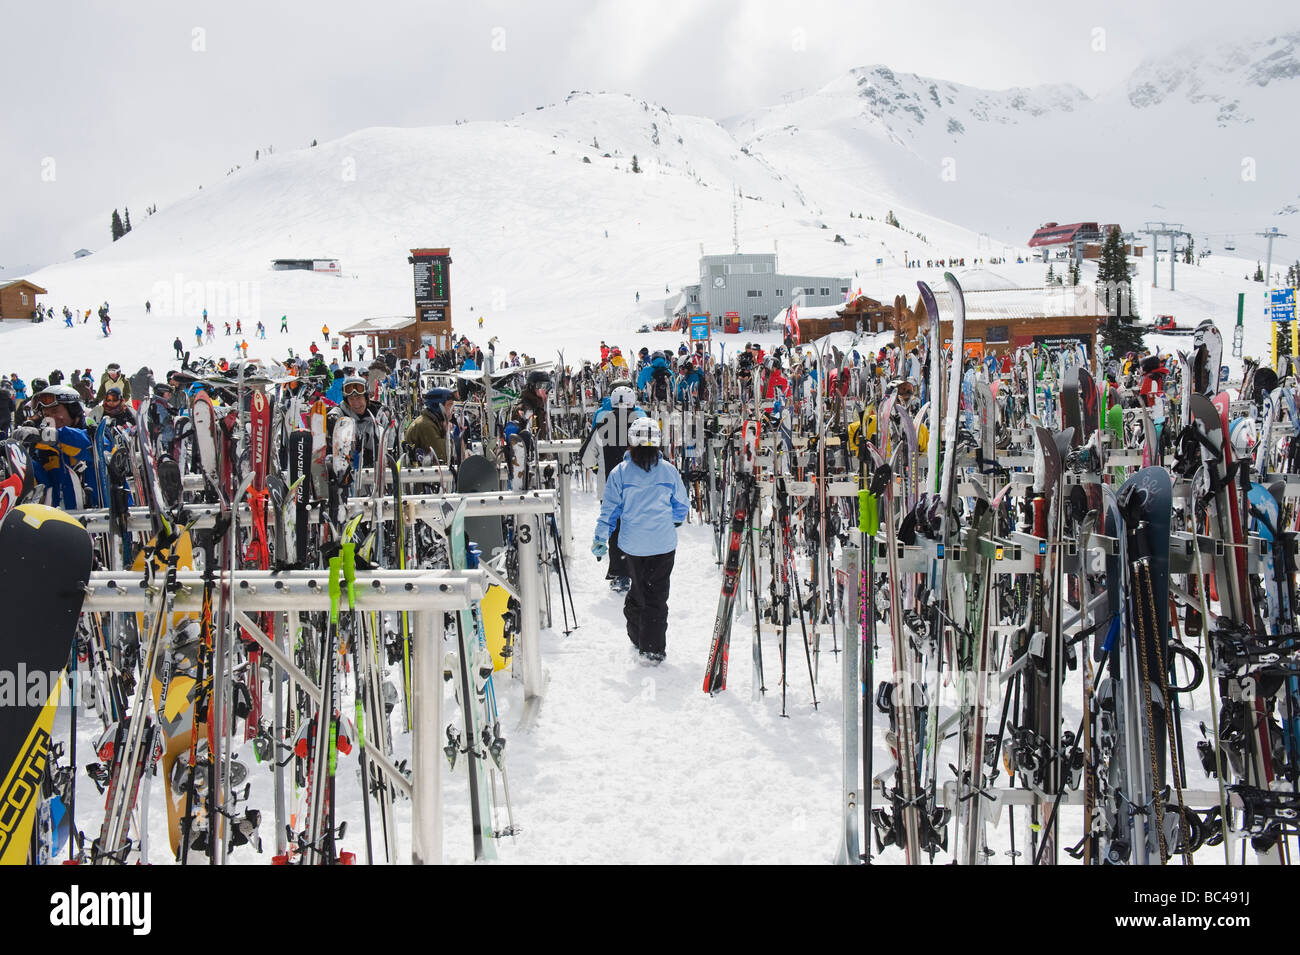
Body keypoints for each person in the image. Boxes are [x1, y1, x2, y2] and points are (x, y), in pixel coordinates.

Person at [592, 418, 688, 663]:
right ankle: (653, 648)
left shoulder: (620, 473)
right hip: (663, 545)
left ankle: (638, 635)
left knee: (638, 588)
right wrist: (673, 521)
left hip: (633, 546)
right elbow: (681, 504)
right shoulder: (668, 470)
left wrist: (601, 537)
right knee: (657, 594)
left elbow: (610, 510)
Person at [11, 385, 99, 508]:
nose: (49, 418)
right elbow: (41, 484)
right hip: (64, 519)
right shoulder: (43, 450)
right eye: (45, 413)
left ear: (73, 410)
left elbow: (92, 449)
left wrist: (45, 436)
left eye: (55, 411)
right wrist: (16, 456)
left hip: (104, 519)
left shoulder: (95, 434)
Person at [404, 388, 454, 464]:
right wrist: (447, 433)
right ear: (437, 406)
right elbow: (443, 456)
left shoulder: (431, 421)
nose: (452, 409)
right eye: (449, 405)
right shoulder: (426, 425)